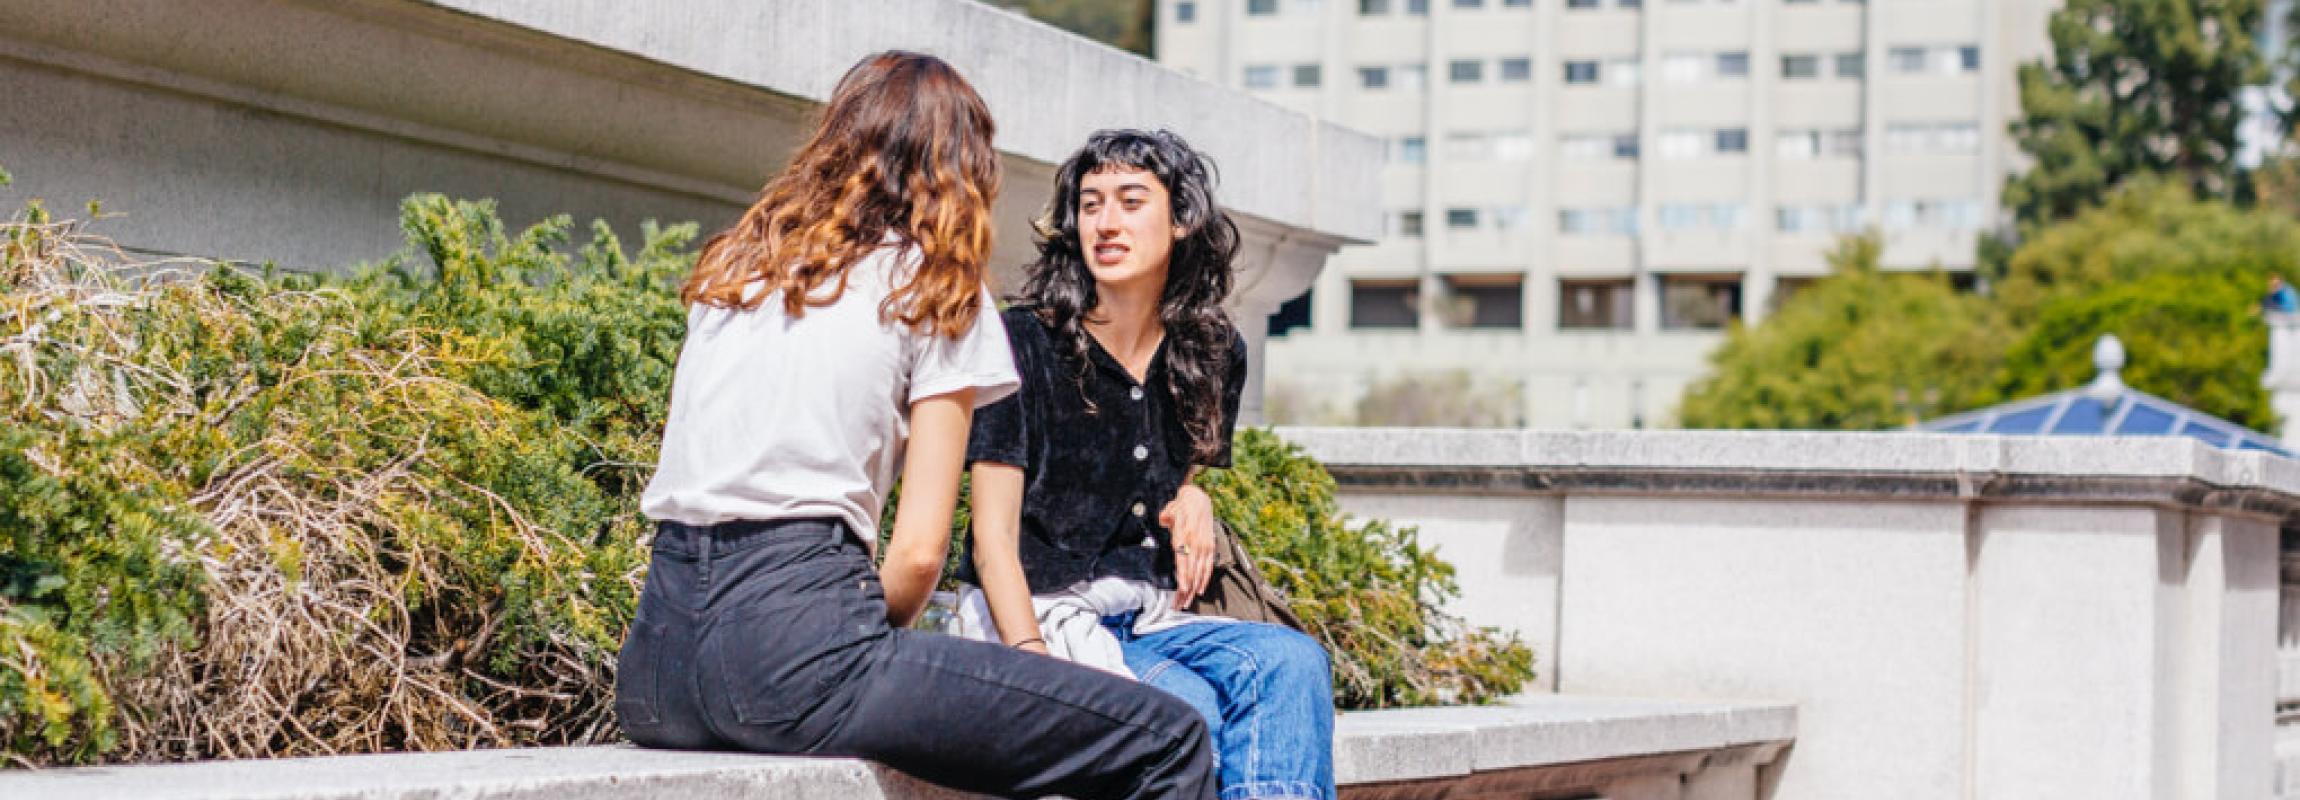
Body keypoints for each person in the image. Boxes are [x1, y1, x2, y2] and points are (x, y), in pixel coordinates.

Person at [620, 53, 1215, 800]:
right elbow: (921, 554)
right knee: (1168, 741)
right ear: (960, 169)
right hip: (794, 651)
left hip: (656, 668)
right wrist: (845, 642)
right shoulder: (935, 284)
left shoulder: (738, 269)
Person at [956, 129, 1337, 800]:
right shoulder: (1024, 344)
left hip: (1152, 614)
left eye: (1132, 201)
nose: (1105, 221)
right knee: (1193, 713)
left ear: (1182, 220)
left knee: (1292, 663)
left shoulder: (1211, 353)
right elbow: (992, 540)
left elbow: (1175, 473)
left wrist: (1195, 498)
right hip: (1042, 616)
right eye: (1091, 202)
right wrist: (1030, 663)